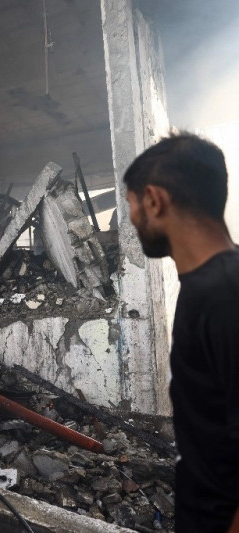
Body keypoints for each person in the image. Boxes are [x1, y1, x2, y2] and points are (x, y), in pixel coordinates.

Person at [124, 133, 239, 532]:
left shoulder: (225, 295)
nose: (133, 220)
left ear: (154, 200)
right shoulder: (206, 287)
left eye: (132, 206)